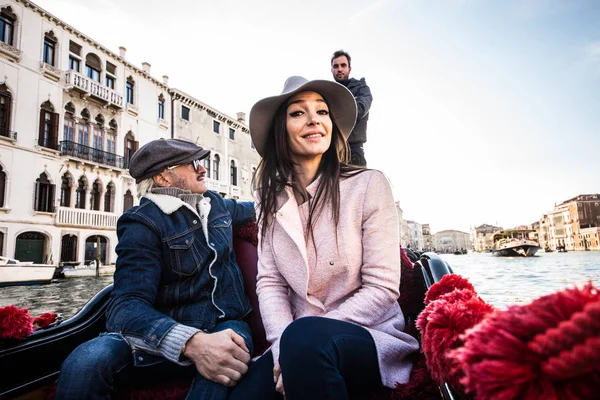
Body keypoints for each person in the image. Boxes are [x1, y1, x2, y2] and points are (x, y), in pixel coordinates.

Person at [229, 76, 419, 400]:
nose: (314, 119)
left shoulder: (370, 185)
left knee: (307, 340)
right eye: (298, 113)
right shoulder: (268, 199)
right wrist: (282, 351)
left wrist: (304, 339)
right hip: (296, 341)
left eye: (322, 111)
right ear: (281, 130)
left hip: (367, 335)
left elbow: (383, 288)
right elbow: (270, 283)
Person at [56, 139, 255, 400]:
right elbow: (125, 306)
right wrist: (190, 342)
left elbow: (260, 208)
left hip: (225, 323)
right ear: (163, 177)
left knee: (229, 354)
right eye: (194, 163)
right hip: (158, 336)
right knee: (86, 361)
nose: (203, 169)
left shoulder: (215, 203)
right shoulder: (142, 222)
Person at [330, 49, 373, 166]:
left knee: (358, 184)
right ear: (332, 70)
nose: (339, 69)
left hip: (353, 151)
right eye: (336, 66)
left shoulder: (361, 88)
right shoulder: (327, 93)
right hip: (330, 154)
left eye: (343, 65)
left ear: (349, 68)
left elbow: (360, 110)